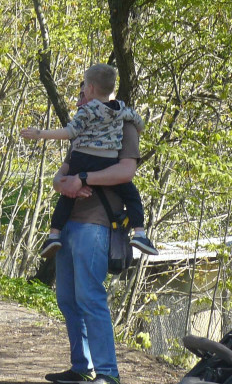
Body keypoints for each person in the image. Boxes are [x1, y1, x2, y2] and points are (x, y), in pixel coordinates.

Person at [43, 80, 140, 384]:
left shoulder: (125, 125)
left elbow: (125, 172)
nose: (79, 98)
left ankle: (108, 375)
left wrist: (83, 178)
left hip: (97, 225)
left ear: (98, 90)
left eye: (83, 92)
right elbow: (60, 176)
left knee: (90, 298)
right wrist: (65, 183)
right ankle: (82, 368)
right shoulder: (85, 126)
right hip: (69, 224)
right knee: (68, 299)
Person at [21, 64, 157, 258]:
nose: (80, 97)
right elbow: (140, 123)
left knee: (66, 199)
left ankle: (53, 235)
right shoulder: (122, 110)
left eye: (83, 87)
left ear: (91, 88)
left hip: (83, 162)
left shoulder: (88, 111)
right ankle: (140, 233)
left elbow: (69, 132)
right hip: (107, 161)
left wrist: (40, 133)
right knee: (131, 195)